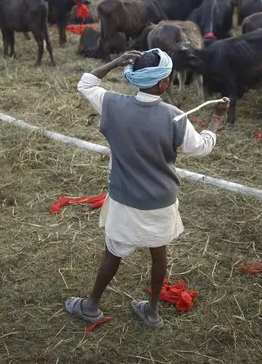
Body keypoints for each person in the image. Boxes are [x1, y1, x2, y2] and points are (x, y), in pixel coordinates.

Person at [66, 49, 226, 329]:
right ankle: (151, 311)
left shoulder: (112, 105)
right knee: (158, 250)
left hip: (125, 198)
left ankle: (91, 305)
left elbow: (85, 84)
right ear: (163, 84)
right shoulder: (175, 117)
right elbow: (201, 147)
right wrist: (216, 119)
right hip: (161, 201)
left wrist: (115, 61)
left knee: (113, 253)